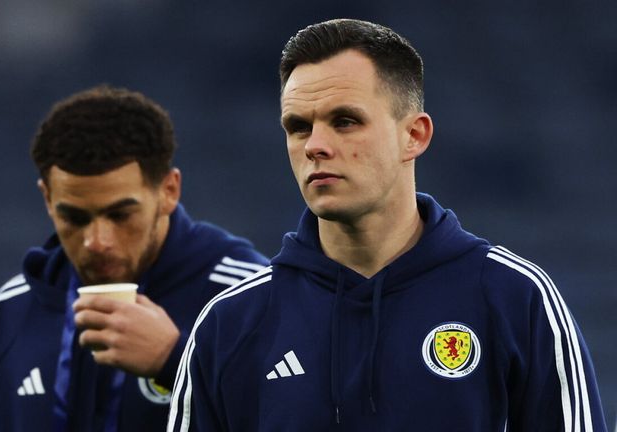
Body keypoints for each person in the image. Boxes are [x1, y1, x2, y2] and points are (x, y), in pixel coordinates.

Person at [167, 19, 607, 431]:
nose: (316, 146)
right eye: (298, 127)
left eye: (345, 121)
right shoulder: (231, 323)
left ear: (413, 135)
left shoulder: (514, 297)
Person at [0, 85, 268, 432]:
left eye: (120, 215)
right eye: (75, 218)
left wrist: (175, 361)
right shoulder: (15, 307)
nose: (97, 242)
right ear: (47, 198)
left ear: (169, 191)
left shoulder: (248, 295)